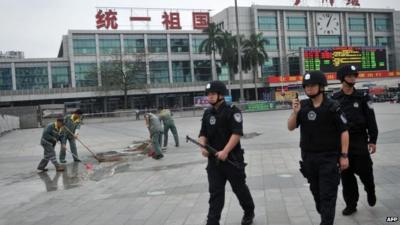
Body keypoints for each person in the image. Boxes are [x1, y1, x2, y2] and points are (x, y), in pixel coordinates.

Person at [287, 71, 349, 225]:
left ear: (321, 86)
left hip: (328, 158)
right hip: (309, 159)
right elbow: (290, 127)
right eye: (306, 86)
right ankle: (325, 216)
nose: (308, 89)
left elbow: (344, 131)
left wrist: (344, 155)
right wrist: (294, 113)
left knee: (327, 195)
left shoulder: (333, 107)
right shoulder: (303, 106)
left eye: (312, 85)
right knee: (317, 195)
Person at [199, 81, 255, 225]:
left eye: (212, 94)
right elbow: (202, 134)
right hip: (214, 162)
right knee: (215, 194)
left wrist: (225, 151)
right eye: (208, 94)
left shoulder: (232, 111)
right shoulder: (207, 113)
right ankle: (212, 221)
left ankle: (249, 211)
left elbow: (236, 133)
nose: (209, 97)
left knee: (240, 189)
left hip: (232, 160)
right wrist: (203, 147)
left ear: (221, 95)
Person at [332, 65, 379, 215]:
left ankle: (370, 189)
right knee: (347, 176)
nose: (353, 78)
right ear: (342, 78)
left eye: (355, 75)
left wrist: (373, 139)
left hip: (359, 140)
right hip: (342, 143)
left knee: (366, 172)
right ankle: (351, 204)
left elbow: (371, 119)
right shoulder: (334, 99)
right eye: (350, 75)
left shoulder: (363, 97)